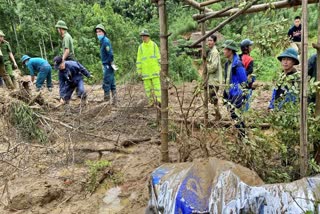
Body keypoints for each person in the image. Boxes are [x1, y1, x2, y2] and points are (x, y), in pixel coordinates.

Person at [222, 40, 247, 138]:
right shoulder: (227, 64)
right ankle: (240, 136)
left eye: (225, 49)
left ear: (230, 51)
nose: (223, 51)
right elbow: (227, 80)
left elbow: (243, 81)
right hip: (229, 94)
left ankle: (242, 137)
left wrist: (241, 95)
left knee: (237, 118)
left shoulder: (238, 64)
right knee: (233, 116)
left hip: (237, 95)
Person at [136, 29, 161, 107]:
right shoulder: (140, 47)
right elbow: (139, 60)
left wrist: (161, 68)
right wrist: (139, 71)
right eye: (142, 36)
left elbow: (158, 57)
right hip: (145, 72)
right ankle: (151, 102)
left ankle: (160, 102)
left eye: (144, 36)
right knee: (148, 89)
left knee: (157, 88)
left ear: (148, 36)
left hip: (154, 71)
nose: (143, 38)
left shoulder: (154, 45)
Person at [94, 24, 117, 104]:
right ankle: (115, 101)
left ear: (103, 32)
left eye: (100, 31)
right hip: (106, 64)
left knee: (106, 82)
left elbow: (110, 53)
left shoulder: (105, 41)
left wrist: (109, 63)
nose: (98, 33)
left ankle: (106, 102)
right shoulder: (102, 41)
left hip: (108, 65)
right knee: (112, 82)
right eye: (97, 32)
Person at [206, 34, 222, 120]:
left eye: (211, 40)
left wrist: (205, 68)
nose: (209, 42)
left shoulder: (214, 52)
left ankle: (218, 115)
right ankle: (217, 113)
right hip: (212, 80)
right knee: (213, 99)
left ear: (214, 42)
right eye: (208, 40)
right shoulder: (211, 52)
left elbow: (214, 66)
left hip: (214, 80)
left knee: (214, 99)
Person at [239, 38, 254, 111]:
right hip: (247, 84)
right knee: (246, 102)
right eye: (250, 46)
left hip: (238, 83)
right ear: (246, 48)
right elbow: (250, 71)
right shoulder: (250, 59)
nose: (251, 47)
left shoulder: (238, 57)